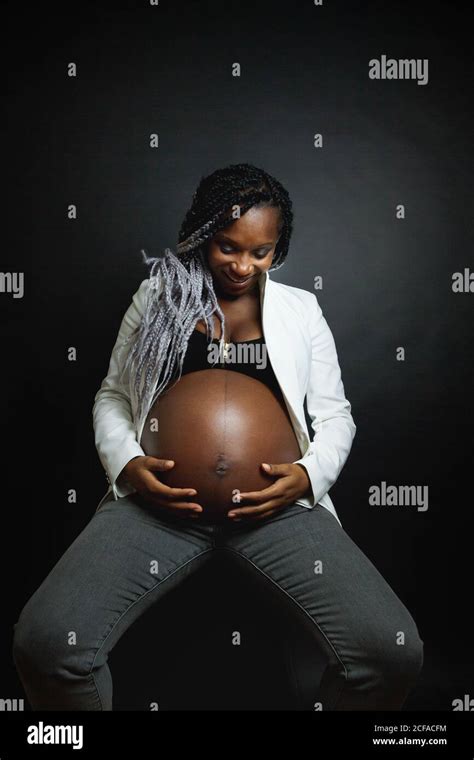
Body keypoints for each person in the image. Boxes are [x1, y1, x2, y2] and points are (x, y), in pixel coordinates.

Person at [12, 163, 423, 710]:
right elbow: (112, 394)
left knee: (388, 651)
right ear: (204, 233)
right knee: (45, 644)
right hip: (158, 508)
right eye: (229, 247)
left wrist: (304, 478)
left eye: (261, 251)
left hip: (275, 511)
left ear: (278, 248)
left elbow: (336, 415)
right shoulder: (157, 296)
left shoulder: (301, 310)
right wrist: (128, 464)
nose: (243, 265)